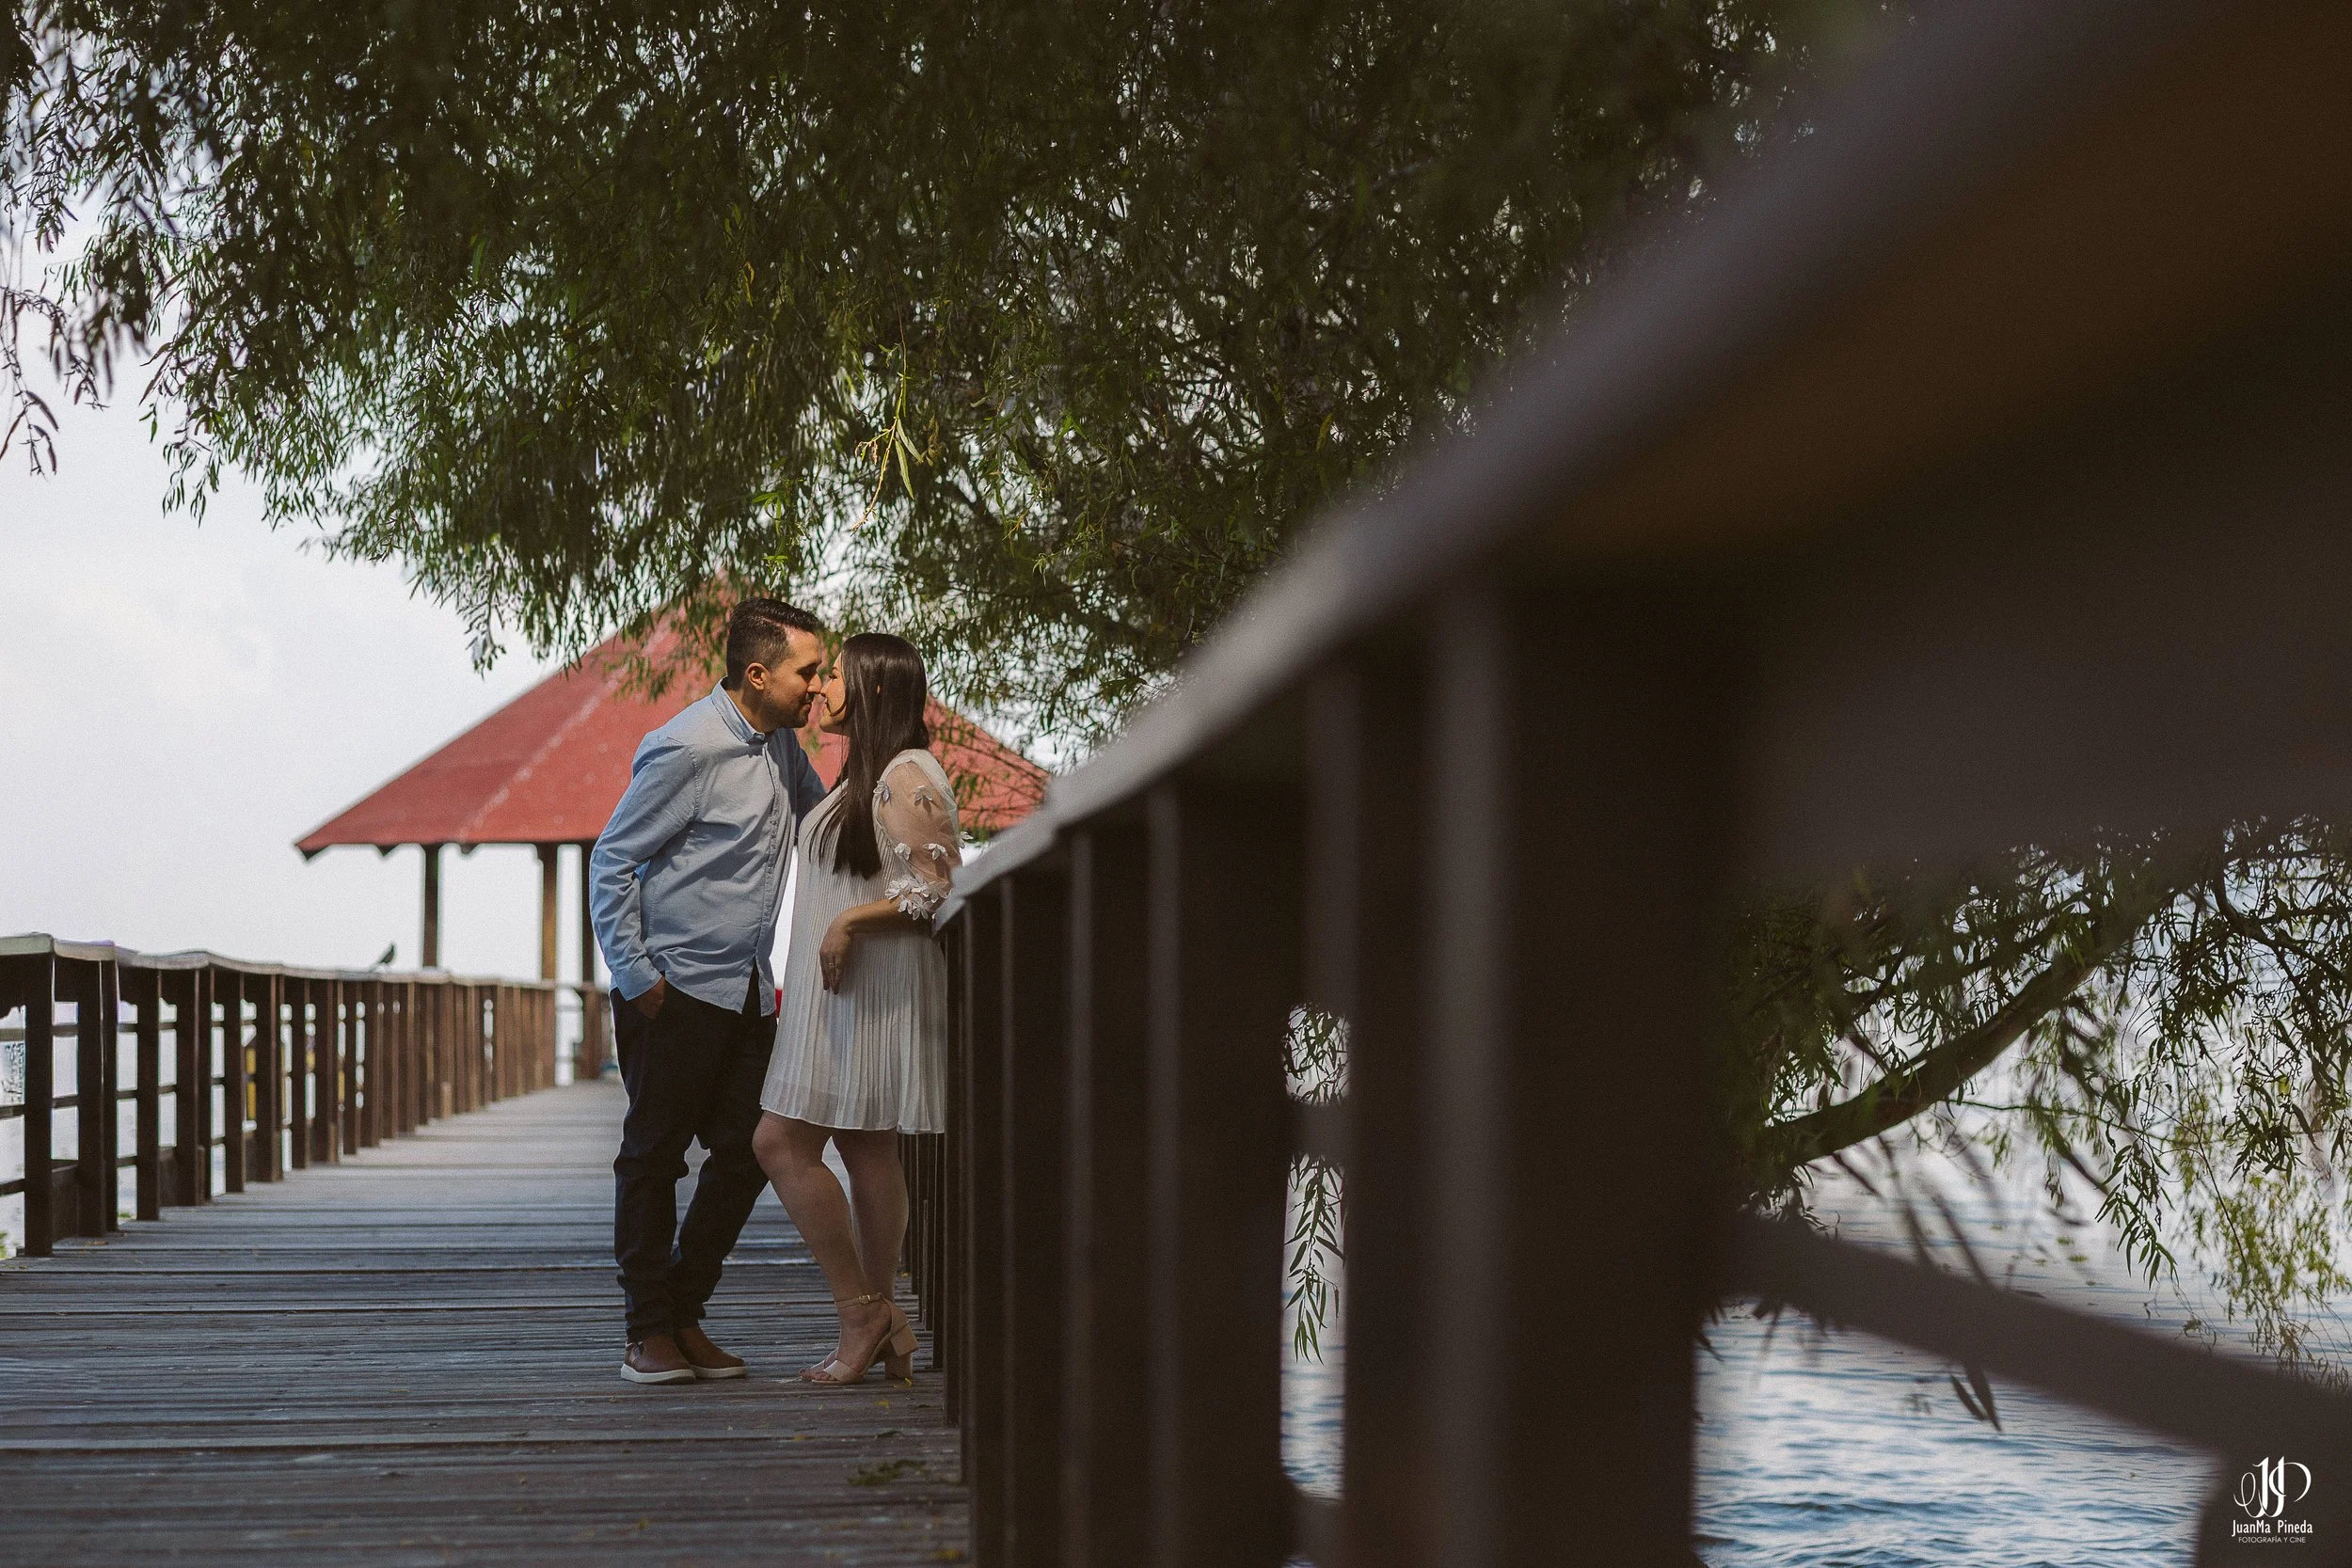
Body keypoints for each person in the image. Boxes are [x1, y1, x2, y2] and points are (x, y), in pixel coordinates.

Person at [589, 597, 830, 1385]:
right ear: (758, 674)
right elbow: (613, 861)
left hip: (750, 992)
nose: (817, 688)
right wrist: (638, 976)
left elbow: (826, 824)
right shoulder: (685, 748)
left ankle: (686, 1308)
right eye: (808, 672)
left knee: (752, 1147)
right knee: (653, 1157)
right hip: (677, 989)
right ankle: (646, 1331)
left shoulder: (781, 745)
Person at [755, 632, 962, 1386]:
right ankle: (880, 1319)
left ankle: (861, 1309)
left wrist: (848, 923)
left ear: (873, 688)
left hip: (870, 989)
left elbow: (938, 887)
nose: (820, 689)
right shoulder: (864, 773)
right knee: (868, 1149)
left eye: (834, 677)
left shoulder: (909, 772)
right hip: (844, 993)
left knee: (778, 1143)